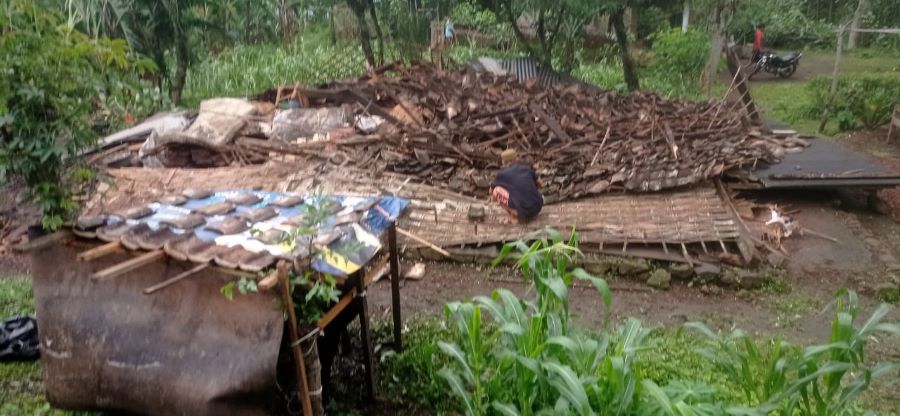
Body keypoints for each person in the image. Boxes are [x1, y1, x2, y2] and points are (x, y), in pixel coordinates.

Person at [490, 149, 543, 223]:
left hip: (523, 212)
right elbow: (540, 183)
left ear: (503, 161)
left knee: (496, 191)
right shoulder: (526, 168)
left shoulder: (502, 174)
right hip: (538, 207)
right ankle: (529, 207)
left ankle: (516, 215)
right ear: (516, 158)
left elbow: (491, 191)